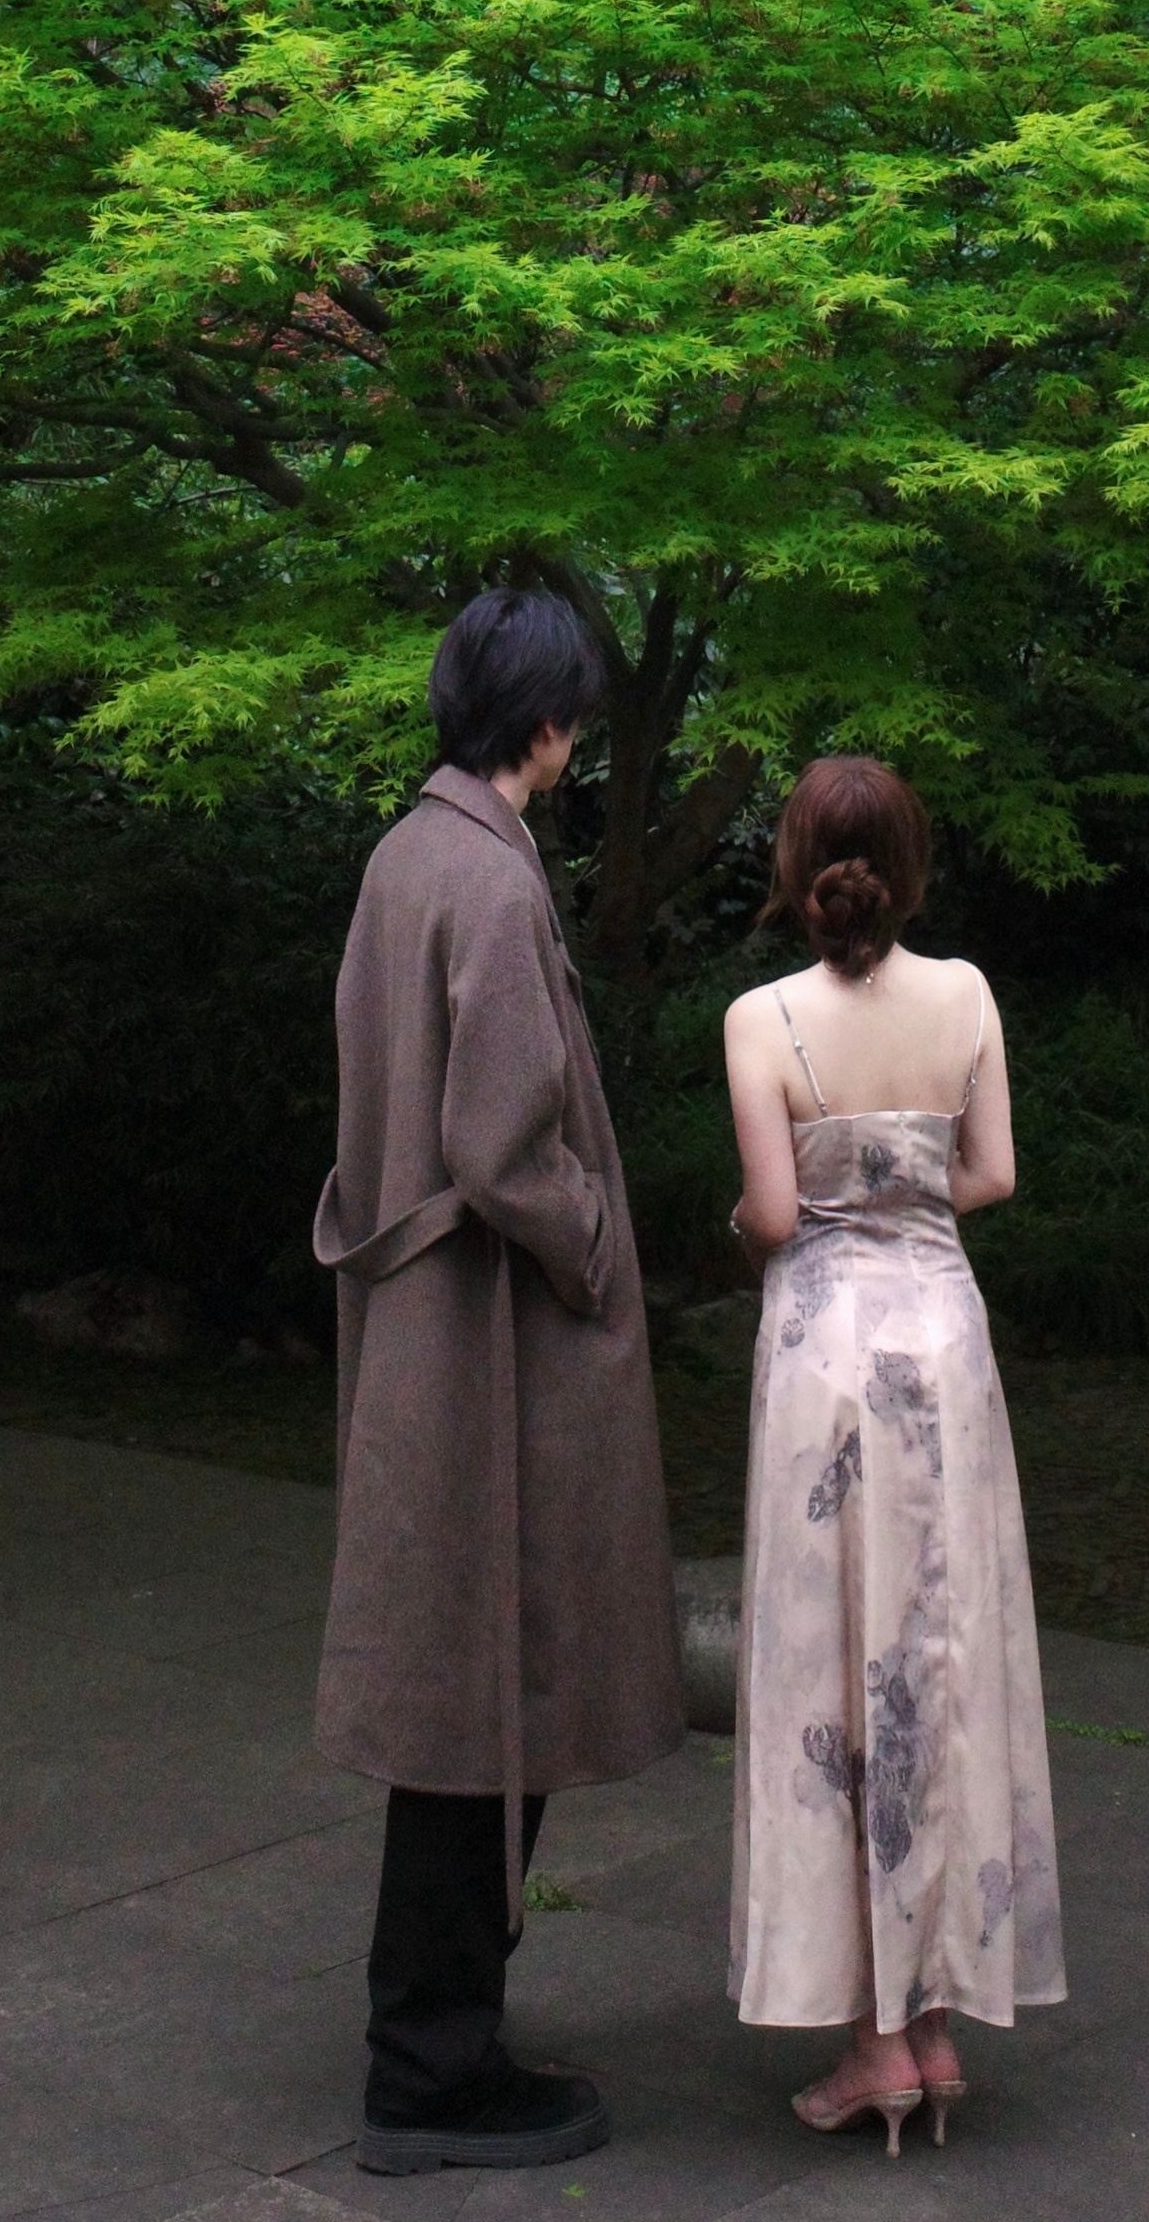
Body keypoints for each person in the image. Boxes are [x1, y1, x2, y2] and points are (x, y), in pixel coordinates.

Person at [314, 589, 683, 2177]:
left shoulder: (408, 855)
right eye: (573, 712)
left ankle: (432, 2037)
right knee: (486, 1692)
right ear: (547, 722)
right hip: (486, 1345)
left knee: (458, 1687)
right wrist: (592, 1240)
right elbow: (500, 1144)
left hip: (426, 1334)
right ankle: (430, 2067)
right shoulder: (489, 875)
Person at [722, 754, 1065, 2152]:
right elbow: (991, 1175)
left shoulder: (760, 1020)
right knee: (941, 1663)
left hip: (824, 1366)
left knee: (833, 1676)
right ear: (909, 869)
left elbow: (770, 1214)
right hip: (944, 1354)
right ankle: (935, 2022)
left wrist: (768, 1221)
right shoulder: (968, 994)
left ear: (796, 869)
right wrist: (906, 1192)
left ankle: (873, 2042)